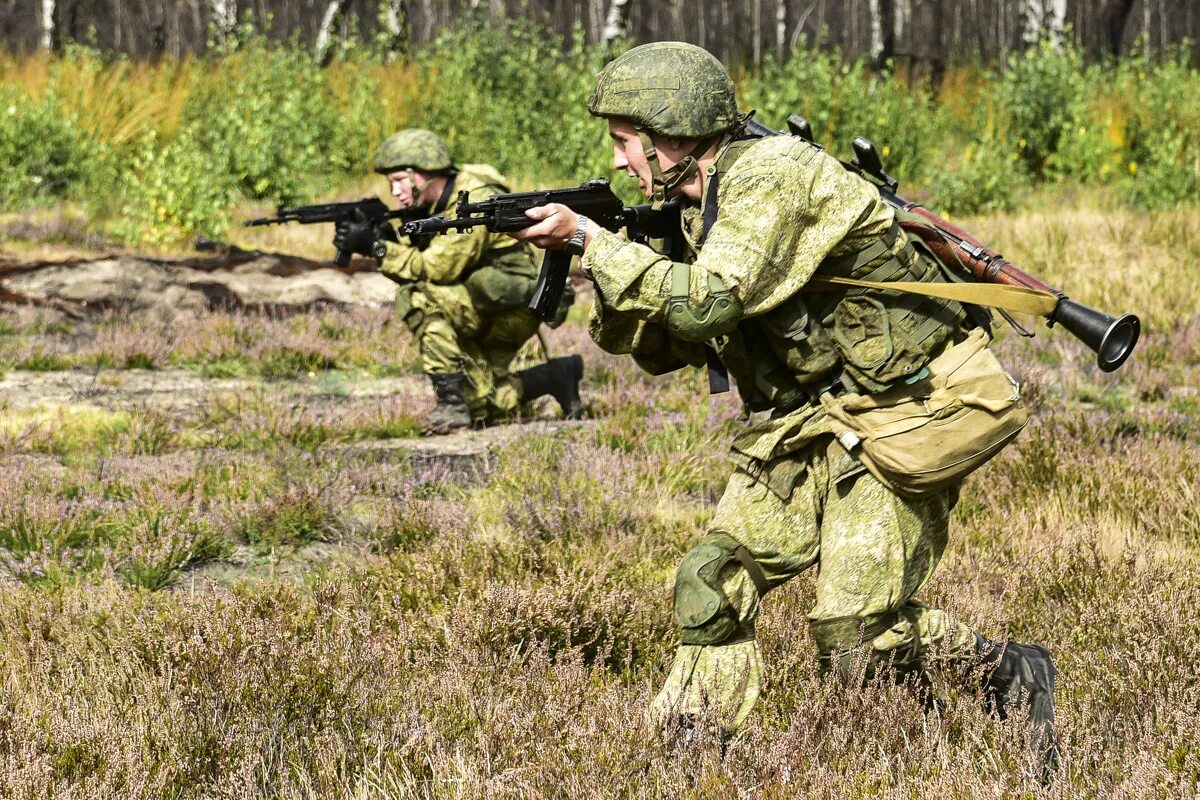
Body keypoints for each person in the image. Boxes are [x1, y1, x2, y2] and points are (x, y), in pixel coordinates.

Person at [511, 43, 1059, 773]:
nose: (618, 164)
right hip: (806, 419)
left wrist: (591, 241)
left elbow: (707, 304)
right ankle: (691, 760)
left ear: (668, 131)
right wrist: (605, 267)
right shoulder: (693, 202)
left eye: (623, 142)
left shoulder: (770, 177)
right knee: (711, 580)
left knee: (854, 632)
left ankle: (995, 686)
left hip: (901, 407)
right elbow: (659, 349)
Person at [334, 128, 583, 433]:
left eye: (399, 181)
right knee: (483, 405)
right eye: (391, 184)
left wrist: (378, 248)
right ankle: (556, 376)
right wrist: (387, 237)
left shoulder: (473, 199)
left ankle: (451, 406)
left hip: (510, 308)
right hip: (482, 301)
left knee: (416, 296)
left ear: (423, 173)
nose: (396, 192)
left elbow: (436, 269)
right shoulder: (440, 201)